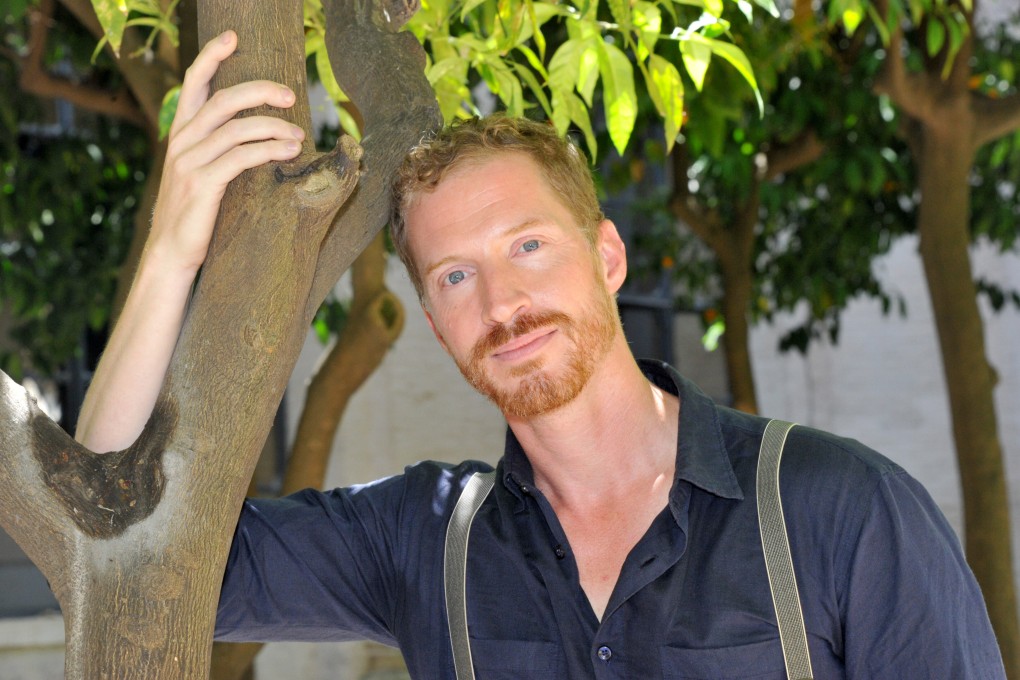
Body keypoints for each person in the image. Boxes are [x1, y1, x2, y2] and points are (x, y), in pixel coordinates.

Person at [77, 33, 1006, 679]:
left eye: (529, 246)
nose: (502, 304)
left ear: (608, 256)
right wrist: (170, 253)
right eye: (453, 277)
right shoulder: (424, 543)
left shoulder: (843, 512)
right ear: (435, 323)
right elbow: (122, 541)